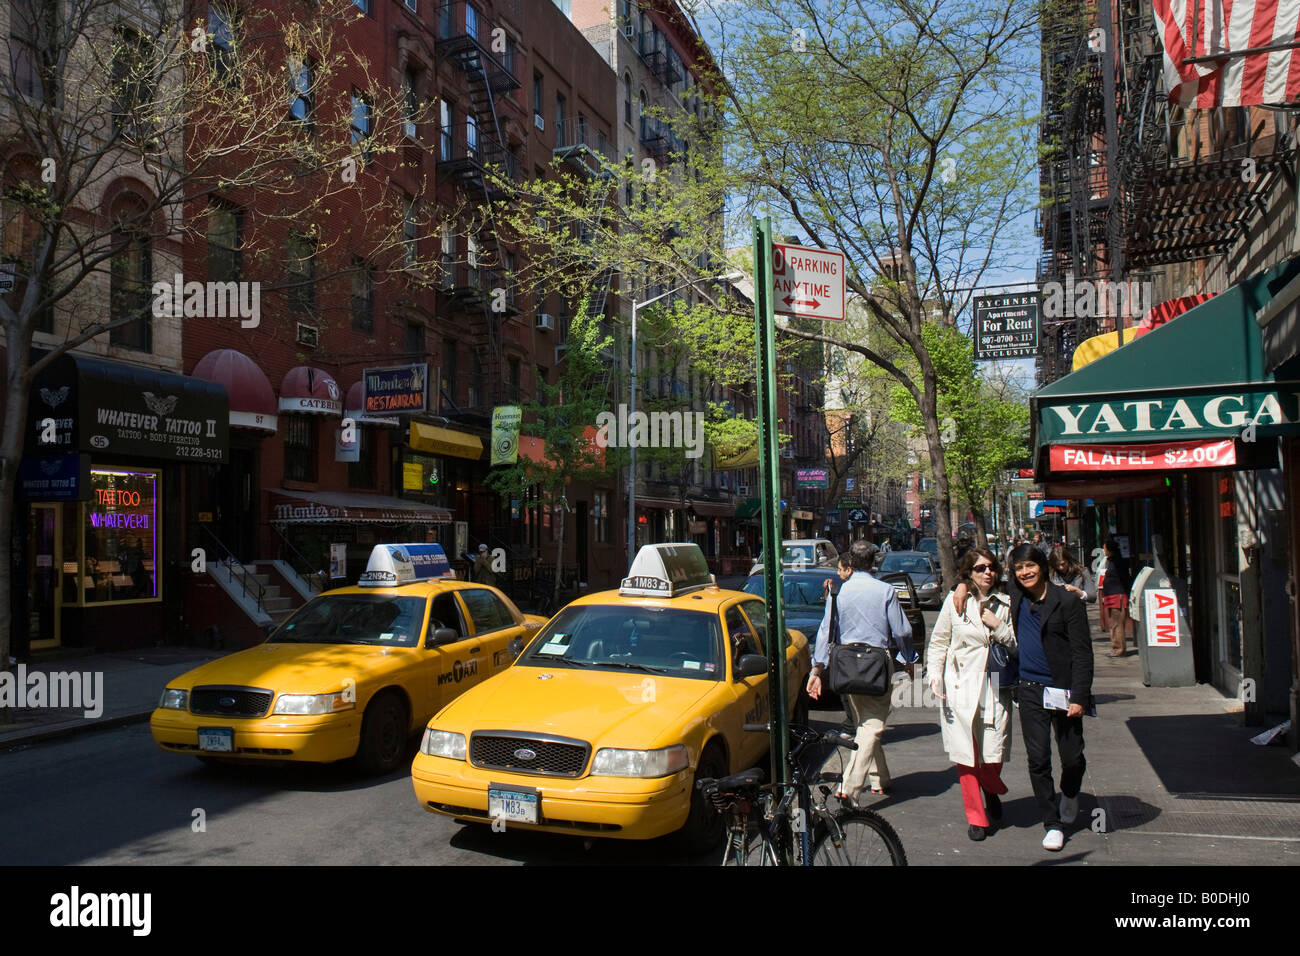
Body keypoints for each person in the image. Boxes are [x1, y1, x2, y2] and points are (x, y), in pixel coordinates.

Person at [807, 540, 917, 804]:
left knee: (864, 723)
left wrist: (817, 668)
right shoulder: (886, 590)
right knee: (873, 725)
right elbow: (902, 631)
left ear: (851, 564)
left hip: (846, 665)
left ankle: (880, 779)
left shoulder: (839, 593)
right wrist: (909, 658)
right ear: (874, 562)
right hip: (876, 663)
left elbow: (826, 630)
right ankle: (850, 786)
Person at [1007, 544, 1092, 852]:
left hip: (1064, 689)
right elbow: (976, 575)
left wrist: (1080, 696)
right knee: (1038, 757)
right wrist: (962, 587)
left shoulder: (1067, 602)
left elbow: (1083, 654)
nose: (1024, 572)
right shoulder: (1016, 596)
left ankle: (1070, 792)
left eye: (1029, 566)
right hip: (1029, 689)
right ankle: (1052, 823)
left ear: (1042, 566)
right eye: (1018, 568)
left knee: (1071, 756)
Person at [928, 548, 1016, 841]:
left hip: (994, 684)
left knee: (993, 750)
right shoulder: (955, 602)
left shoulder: (1007, 603)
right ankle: (976, 817)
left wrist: (999, 626)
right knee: (965, 753)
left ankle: (991, 787)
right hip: (960, 683)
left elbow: (1017, 645)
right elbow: (939, 641)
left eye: (991, 567)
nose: (987, 572)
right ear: (969, 572)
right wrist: (935, 676)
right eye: (980, 568)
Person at [1099, 537, 1132, 657]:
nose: (1104, 550)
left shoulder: (1118, 562)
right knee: (1114, 624)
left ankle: (1119, 648)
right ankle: (1116, 647)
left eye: (1104, 548)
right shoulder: (1111, 561)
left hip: (1118, 596)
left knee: (1117, 624)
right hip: (1112, 596)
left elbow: (1125, 579)